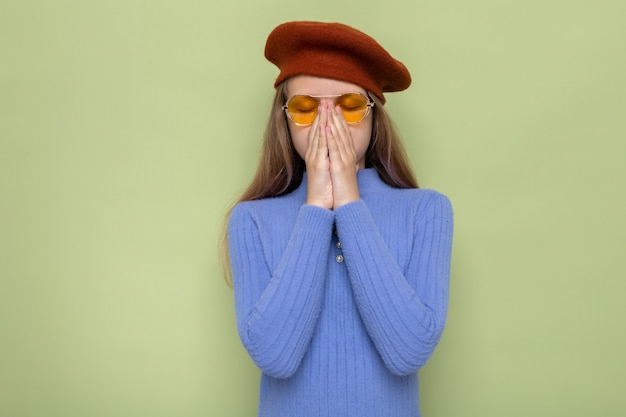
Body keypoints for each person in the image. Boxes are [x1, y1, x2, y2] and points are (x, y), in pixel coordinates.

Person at [223, 21, 454, 417]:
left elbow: (408, 351)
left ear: (373, 115)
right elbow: (276, 357)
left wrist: (349, 200)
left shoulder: (426, 211)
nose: (325, 124)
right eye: (306, 107)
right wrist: (315, 206)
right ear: (284, 118)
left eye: (347, 106)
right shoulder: (251, 220)